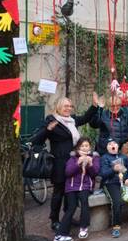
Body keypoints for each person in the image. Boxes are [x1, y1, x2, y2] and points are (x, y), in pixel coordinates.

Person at [30, 92, 99, 232]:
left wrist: (94, 105)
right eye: (65, 106)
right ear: (59, 107)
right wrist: (47, 129)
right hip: (60, 163)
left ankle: (68, 215)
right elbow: (37, 140)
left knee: (71, 190)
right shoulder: (52, 120)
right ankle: (54, 220)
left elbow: (85, 118)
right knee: (59, 191)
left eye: (70, 106)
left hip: (74, 161)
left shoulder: (72, 120)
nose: (68, 108)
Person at [54, 137, 100, 241]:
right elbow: (68, 173)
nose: (84, 148)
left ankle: (83, 228)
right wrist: (78, 163)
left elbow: (95, 173)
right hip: (71, 187)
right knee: (71, 207)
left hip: (85, 186)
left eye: (86, 146)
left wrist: (90, 164)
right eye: (82, 146)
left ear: (90, 147)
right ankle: (60, 234)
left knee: (84, 202)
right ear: (78, 147)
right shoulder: (73, 158)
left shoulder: (94, 157)